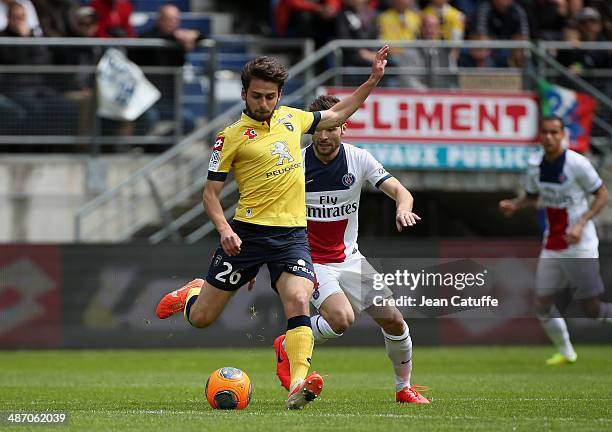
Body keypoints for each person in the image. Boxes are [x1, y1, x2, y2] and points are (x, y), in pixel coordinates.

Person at [155, 46, 391, 409]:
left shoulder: (293, 119)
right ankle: (193, 293)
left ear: (280, 95)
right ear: (244, 94)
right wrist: (224, 230)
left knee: (298, 300)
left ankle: (298, 383)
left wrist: (373, 79)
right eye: (256, 96)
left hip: (292, 237)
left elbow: (340, 112)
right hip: (246, 235)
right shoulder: (229, 137)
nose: (263, 103)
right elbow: (210, 195)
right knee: (202, 318)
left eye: (270, 96)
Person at [273, 95, 429, 404]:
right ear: (310, 130)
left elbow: (401, 191)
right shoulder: (295, 164)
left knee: (394, 320)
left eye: (331, 128)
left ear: (345, 127)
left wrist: (402, 208)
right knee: (342, 319)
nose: (324, 136)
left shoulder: (359, 159)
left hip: (350, 258)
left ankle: (403, 389)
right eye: (319, 129)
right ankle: (290, 342)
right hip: (310, 261)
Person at [499, 115, 612, 365]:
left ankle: (569, 348)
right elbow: (532, 196)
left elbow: (602, 195)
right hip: (552, 244)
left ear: (563, 135)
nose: (549, 137)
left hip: (580, 244)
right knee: (542, 304)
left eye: (554, 133)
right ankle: (567, 352)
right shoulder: (535, 164)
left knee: (592, 310)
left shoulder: (577, 164)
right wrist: (515, 205)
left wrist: (581, 223)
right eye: (545, 132)